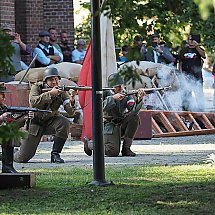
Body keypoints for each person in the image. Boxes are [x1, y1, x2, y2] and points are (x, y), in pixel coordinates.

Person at [14, 68, 77, 163]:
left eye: (56, 79)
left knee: (64, 122)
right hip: (35, 124)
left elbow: (70, 112)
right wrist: (50, 94)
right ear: (45, 81)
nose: (54, 82)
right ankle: (9, 154)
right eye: (51, 79)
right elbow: (33, 102)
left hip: (51, 122)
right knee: (22, 158)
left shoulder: (61, 92)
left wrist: (72, 98)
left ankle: (55, 154)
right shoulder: (37, 87)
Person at [84, 73, 146, 157]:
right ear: (112, 87)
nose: (121, 88)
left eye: (121, 85)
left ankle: (126, 148)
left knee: (134, 118)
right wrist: (112, 98)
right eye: (118, 86)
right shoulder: (104, 93)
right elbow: (99, 108)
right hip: (108, 126)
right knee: (112, 152)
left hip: (120, 123)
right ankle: (90, 145)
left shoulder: (126, 95)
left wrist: (139, 99)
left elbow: (133, 111)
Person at [0, 82, 34, 173]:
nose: (4, 97)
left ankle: (7, 166)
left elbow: (13, 125)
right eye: (1, 94)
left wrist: (24, 117)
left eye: (4, 94)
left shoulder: (3, 107)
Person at [179, 33, 206, 111]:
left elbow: (203, 56)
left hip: (197, 77)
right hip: (186, 76)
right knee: (186, 96)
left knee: (199, 95)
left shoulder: (199, 49)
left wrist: (197, 46)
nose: (189, 41)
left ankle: (201, 112)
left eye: (191, 39)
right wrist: (181, 75)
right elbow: (180, 63)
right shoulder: (184, 50)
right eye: (188, 39)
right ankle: (186, 112)